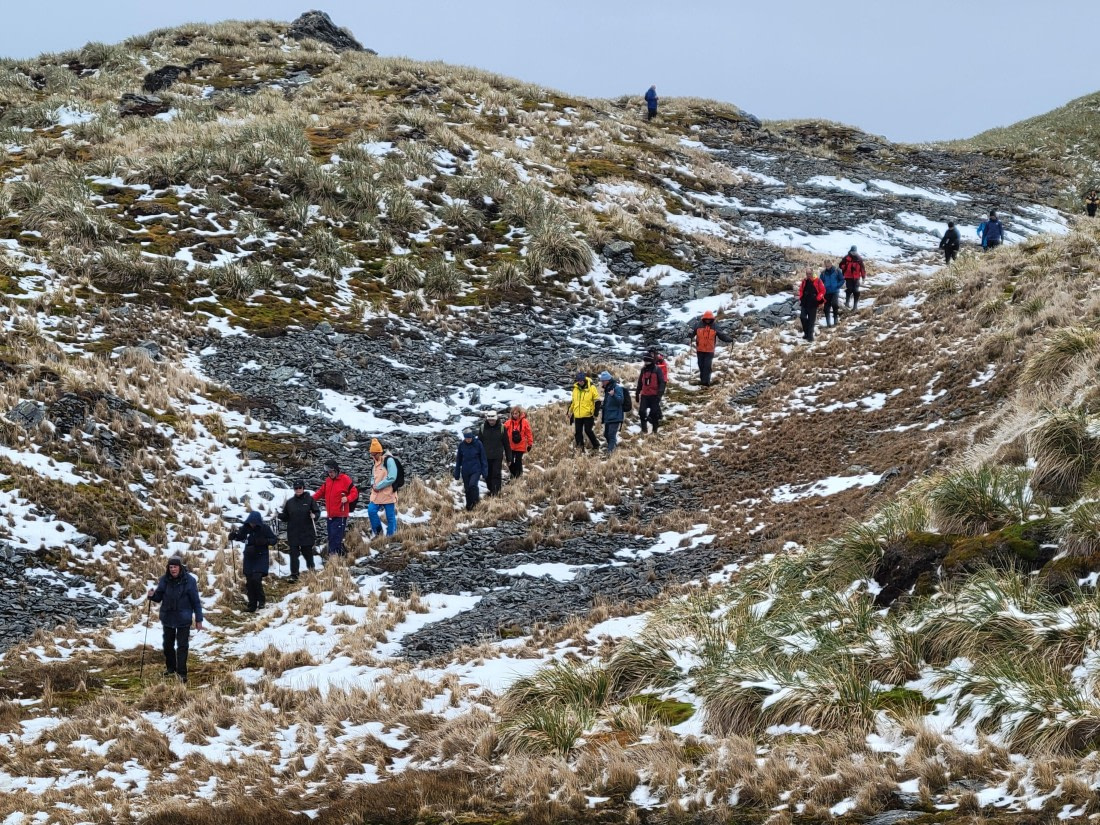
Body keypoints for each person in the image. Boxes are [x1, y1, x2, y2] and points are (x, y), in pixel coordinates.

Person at [147, 555, 203, 684]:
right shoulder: (164, 580)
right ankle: (171, 668)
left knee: (182, 646)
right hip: (168, 617)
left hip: (184, 618)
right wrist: (152, 596)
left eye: (175, 567)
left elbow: (196, 601)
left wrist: (198, 619)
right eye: (171, 567)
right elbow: (158, 597)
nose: (173, 569)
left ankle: (182, 673)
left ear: (180, 567)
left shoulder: (190, 581)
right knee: (167, 645)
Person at [230, 511, 275, 612]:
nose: (252, 524)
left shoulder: (265, 529)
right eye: (251, 522)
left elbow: (274, 539)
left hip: (261, 556)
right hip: (249, 557)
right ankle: (252, 605)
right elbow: (240, 537)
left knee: (256, 578)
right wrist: (234, 536)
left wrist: (265, 541)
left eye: (254, 522)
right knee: (249, 582)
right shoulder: (245, 528)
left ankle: (261, 599)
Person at [312, 459, 357, 557]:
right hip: (330, 515)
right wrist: (310, 500)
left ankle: (333, 559)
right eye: (328, 472)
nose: (330, 474)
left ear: (336, 470)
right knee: (331, 537)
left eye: (331, 472)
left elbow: (354, 492)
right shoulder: (328, 481)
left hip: (340, 515)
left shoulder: (345, 479)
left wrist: (347, 498)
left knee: (336, 537)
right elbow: (320, 492)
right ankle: (340, 556)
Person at [280, 478, 320, 582]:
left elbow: (317, 512)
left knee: (308, 554)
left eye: (300, 488)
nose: (298, 490)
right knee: (293, 555)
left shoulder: (310, 500)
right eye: (296, 488)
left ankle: (312, 573)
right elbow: (286, 516)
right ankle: (294, 575)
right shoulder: (290, 503)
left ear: (303, 488)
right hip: (293, 533)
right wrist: (280, 516)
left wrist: (314, 515)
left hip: (306, 533)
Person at [688, 310, 732, 387]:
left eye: (709, 319)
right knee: (701, 365)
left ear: (712, 319)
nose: (708, 320)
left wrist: (729, 339)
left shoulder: (715, 326)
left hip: (709, 351)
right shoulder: (698, 325)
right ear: (704, 319)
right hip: (700, 350)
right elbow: (692, 333)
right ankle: (703, 381)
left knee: (707, 366)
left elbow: (721, 335)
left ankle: (706, 382)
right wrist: (690, 334)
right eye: (706, 319)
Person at [367, 438, 399, 537]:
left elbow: (392, 477)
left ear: (380, 452)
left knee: (390, 517)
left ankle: (391, 537)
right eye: (371, 454)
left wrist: (379, 486)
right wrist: (372, 483)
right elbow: (373, 475)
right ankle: (378, 532)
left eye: (374, 454)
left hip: (388, 494)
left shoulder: (389, 461)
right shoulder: (375, 462)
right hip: (377, 494)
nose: (373, 457)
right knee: (371, 510)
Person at [454, 428, 488, 511]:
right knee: (467, 489)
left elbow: (483, 458)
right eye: (466, 438)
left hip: (476, 469)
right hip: (465, 470)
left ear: (472, 436)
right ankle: (469, 506)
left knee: (472, 485)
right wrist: (457, 472)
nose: (468, 440)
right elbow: (458, 460)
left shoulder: (478, 444)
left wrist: (484, 471)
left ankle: (476, 502)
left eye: (469, 438)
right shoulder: (462, 445)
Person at [478, 411, 510, 495]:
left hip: (497, 456)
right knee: (487, 474)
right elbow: (478, 444)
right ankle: (491, 489)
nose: (491, 422)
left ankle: (496, 492)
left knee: (496, 473)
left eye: (493, 420)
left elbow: (506, 444)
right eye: (489, 420)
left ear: (496, 419)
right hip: (486, 456)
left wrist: (509, 458)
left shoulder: (502, 428)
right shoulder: (482, 428)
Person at [569, 371, 601, 453]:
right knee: (578, 432)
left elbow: (597, 400)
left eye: (581, 380)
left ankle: (596, 445)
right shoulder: (575, 389)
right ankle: (580, 448)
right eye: (578, 380)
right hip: (578, 415)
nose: (580, 382)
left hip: (588, 414)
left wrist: (596, 413)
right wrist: (570, 412)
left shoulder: (591, 387)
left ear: (584, 379)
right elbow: (573, 402)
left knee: (588, 430)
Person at [636, 353, 666, 434]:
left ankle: (655, 431)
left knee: (654, 414)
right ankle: (644, 430)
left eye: (647, 361)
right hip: (644, 395)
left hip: (654, 395)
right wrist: (637, 393)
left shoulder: (657, 370)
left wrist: (659, 395)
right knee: (642, 412)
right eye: (644, 361)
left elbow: (662, 383)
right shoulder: (643, 370)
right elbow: (640, 382)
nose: (645, 363)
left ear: (650, 361)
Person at [598, 371, 626, 453]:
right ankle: (613, 446)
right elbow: (609, 402)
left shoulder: (617, 388)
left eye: (603, 381)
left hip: (616, 416)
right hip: (608, 415)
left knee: (611, 435)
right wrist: (602, 406)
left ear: (607, 380)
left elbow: (621, 401)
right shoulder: (608, 389)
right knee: (606, 434)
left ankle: (610, 452)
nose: (602, 382)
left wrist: (613, 395)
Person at [503, 405, 533, 478]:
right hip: (511, 446)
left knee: (518, 461)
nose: (514, 415)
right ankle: (514, 474)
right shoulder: (509, 422)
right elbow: (502, 429)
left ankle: (518, 475)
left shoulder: (524, 422)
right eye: (513, 413)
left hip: (521, 446)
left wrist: (530, 444)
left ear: (519, 413)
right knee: (510, 461)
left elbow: (528, 433)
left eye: (516, 413)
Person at [797, 269, 826, 342]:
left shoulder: (818, 281)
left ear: (813, 273)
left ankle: (810, 336)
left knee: (811, 320)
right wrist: (801, 297)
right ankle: (806, 333)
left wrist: (818, 298)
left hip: (813, 303)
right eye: (807, 273)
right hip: (805, 302)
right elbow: (800, 290)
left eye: (810, 273)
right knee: (802, 317)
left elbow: (823, 290)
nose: (808, 275)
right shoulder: (804, 281)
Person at [819, 263, 844, 327]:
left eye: (828, 265)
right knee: (826, 308)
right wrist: (822, 289)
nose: (827, 267)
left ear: (831, 265)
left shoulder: (837, 271)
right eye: (826, 266)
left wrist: (837, 286)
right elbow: (820, 282)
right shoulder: (823, 273)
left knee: (834, 304)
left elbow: (842, 280)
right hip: (826, 292)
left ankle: (835, 319)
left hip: (835, 291)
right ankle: (828, 323)